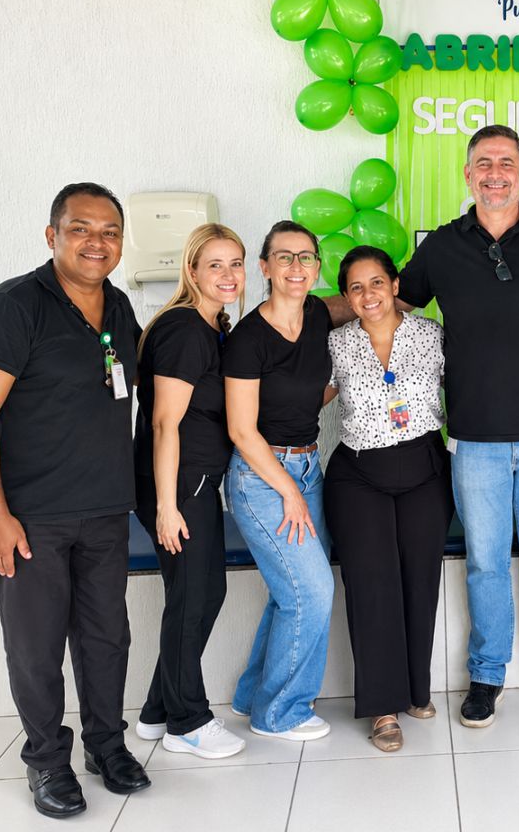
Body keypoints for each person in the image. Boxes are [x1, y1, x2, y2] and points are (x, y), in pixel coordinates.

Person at [379, 124, 519, 727]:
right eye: (484, 163)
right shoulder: (442, 247)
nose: (495, 173)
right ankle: (486, 674)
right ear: (468, 174)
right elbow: (388, 308)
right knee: (484, 562)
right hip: (473, 440)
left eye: (507, 163)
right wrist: (305, 314)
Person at [0, 183, 151, 819]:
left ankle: (106, 746)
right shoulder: (11, 307)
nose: (97, 242)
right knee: (35, 648)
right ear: (52, 236)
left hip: (104, 510)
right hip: (29, 516)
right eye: (81, 229)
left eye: (110, 231)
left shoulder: (118, 307)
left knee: (106, 639)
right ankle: (46, 760)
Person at [323, 245, 453, 752]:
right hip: (359, 474)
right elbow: (304, 398)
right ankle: (382, 707)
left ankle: (416, 690)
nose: (368, 294)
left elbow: (470, 389)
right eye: (356, 287)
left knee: (420, 580)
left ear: (396, 286)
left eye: (377, 282)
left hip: (424, 468)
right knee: (371, 585)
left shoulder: (432, 335)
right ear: (346, 297)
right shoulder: (336, 344)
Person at [130, 223, 247, 759]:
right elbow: (164, 423)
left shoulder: (211, 325)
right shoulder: (183, 330)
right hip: (178, 484)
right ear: (193, 271)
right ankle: (188, 721)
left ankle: (157, 710)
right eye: (214, 265)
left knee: (202, 592)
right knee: (192, 597)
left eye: (235, 263)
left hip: (196, 480)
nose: (228, 274)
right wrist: (166, 505)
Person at [224, 220, 335, 742]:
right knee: (311, 592)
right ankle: (280, 713)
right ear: (264, 267)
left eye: (306, 256)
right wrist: (289, 490)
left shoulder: (318, 315)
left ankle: (252, 697)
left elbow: (373, 299)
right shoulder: (247, 339)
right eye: (284, 257)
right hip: (262, 478)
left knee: (288, 592)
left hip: (308, 467)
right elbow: (241, 431)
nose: (296, 266)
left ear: (317, 266)